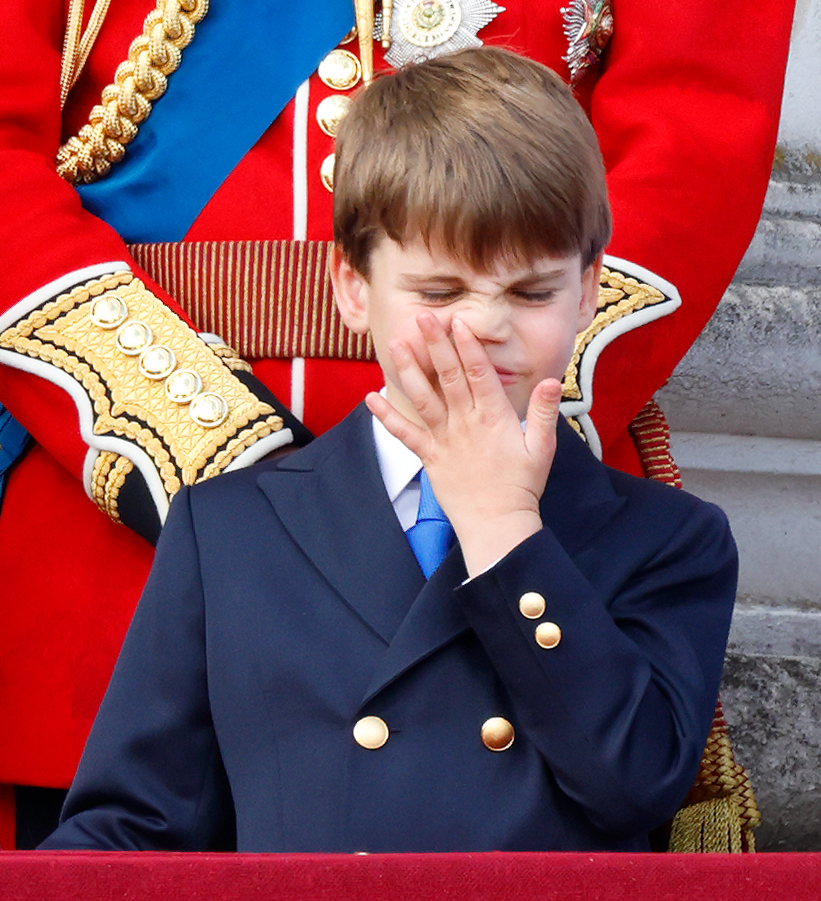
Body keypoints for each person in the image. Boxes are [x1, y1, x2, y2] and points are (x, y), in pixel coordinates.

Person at [0, 0, 794, 847]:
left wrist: (507, 467)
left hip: (554, 532)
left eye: (525, 294)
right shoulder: (221, 534)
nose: (481, 323)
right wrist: (204, 444)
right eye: (442, 294)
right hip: (127, 526)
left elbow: (692, 143)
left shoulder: (666, 545)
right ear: (356, 288)